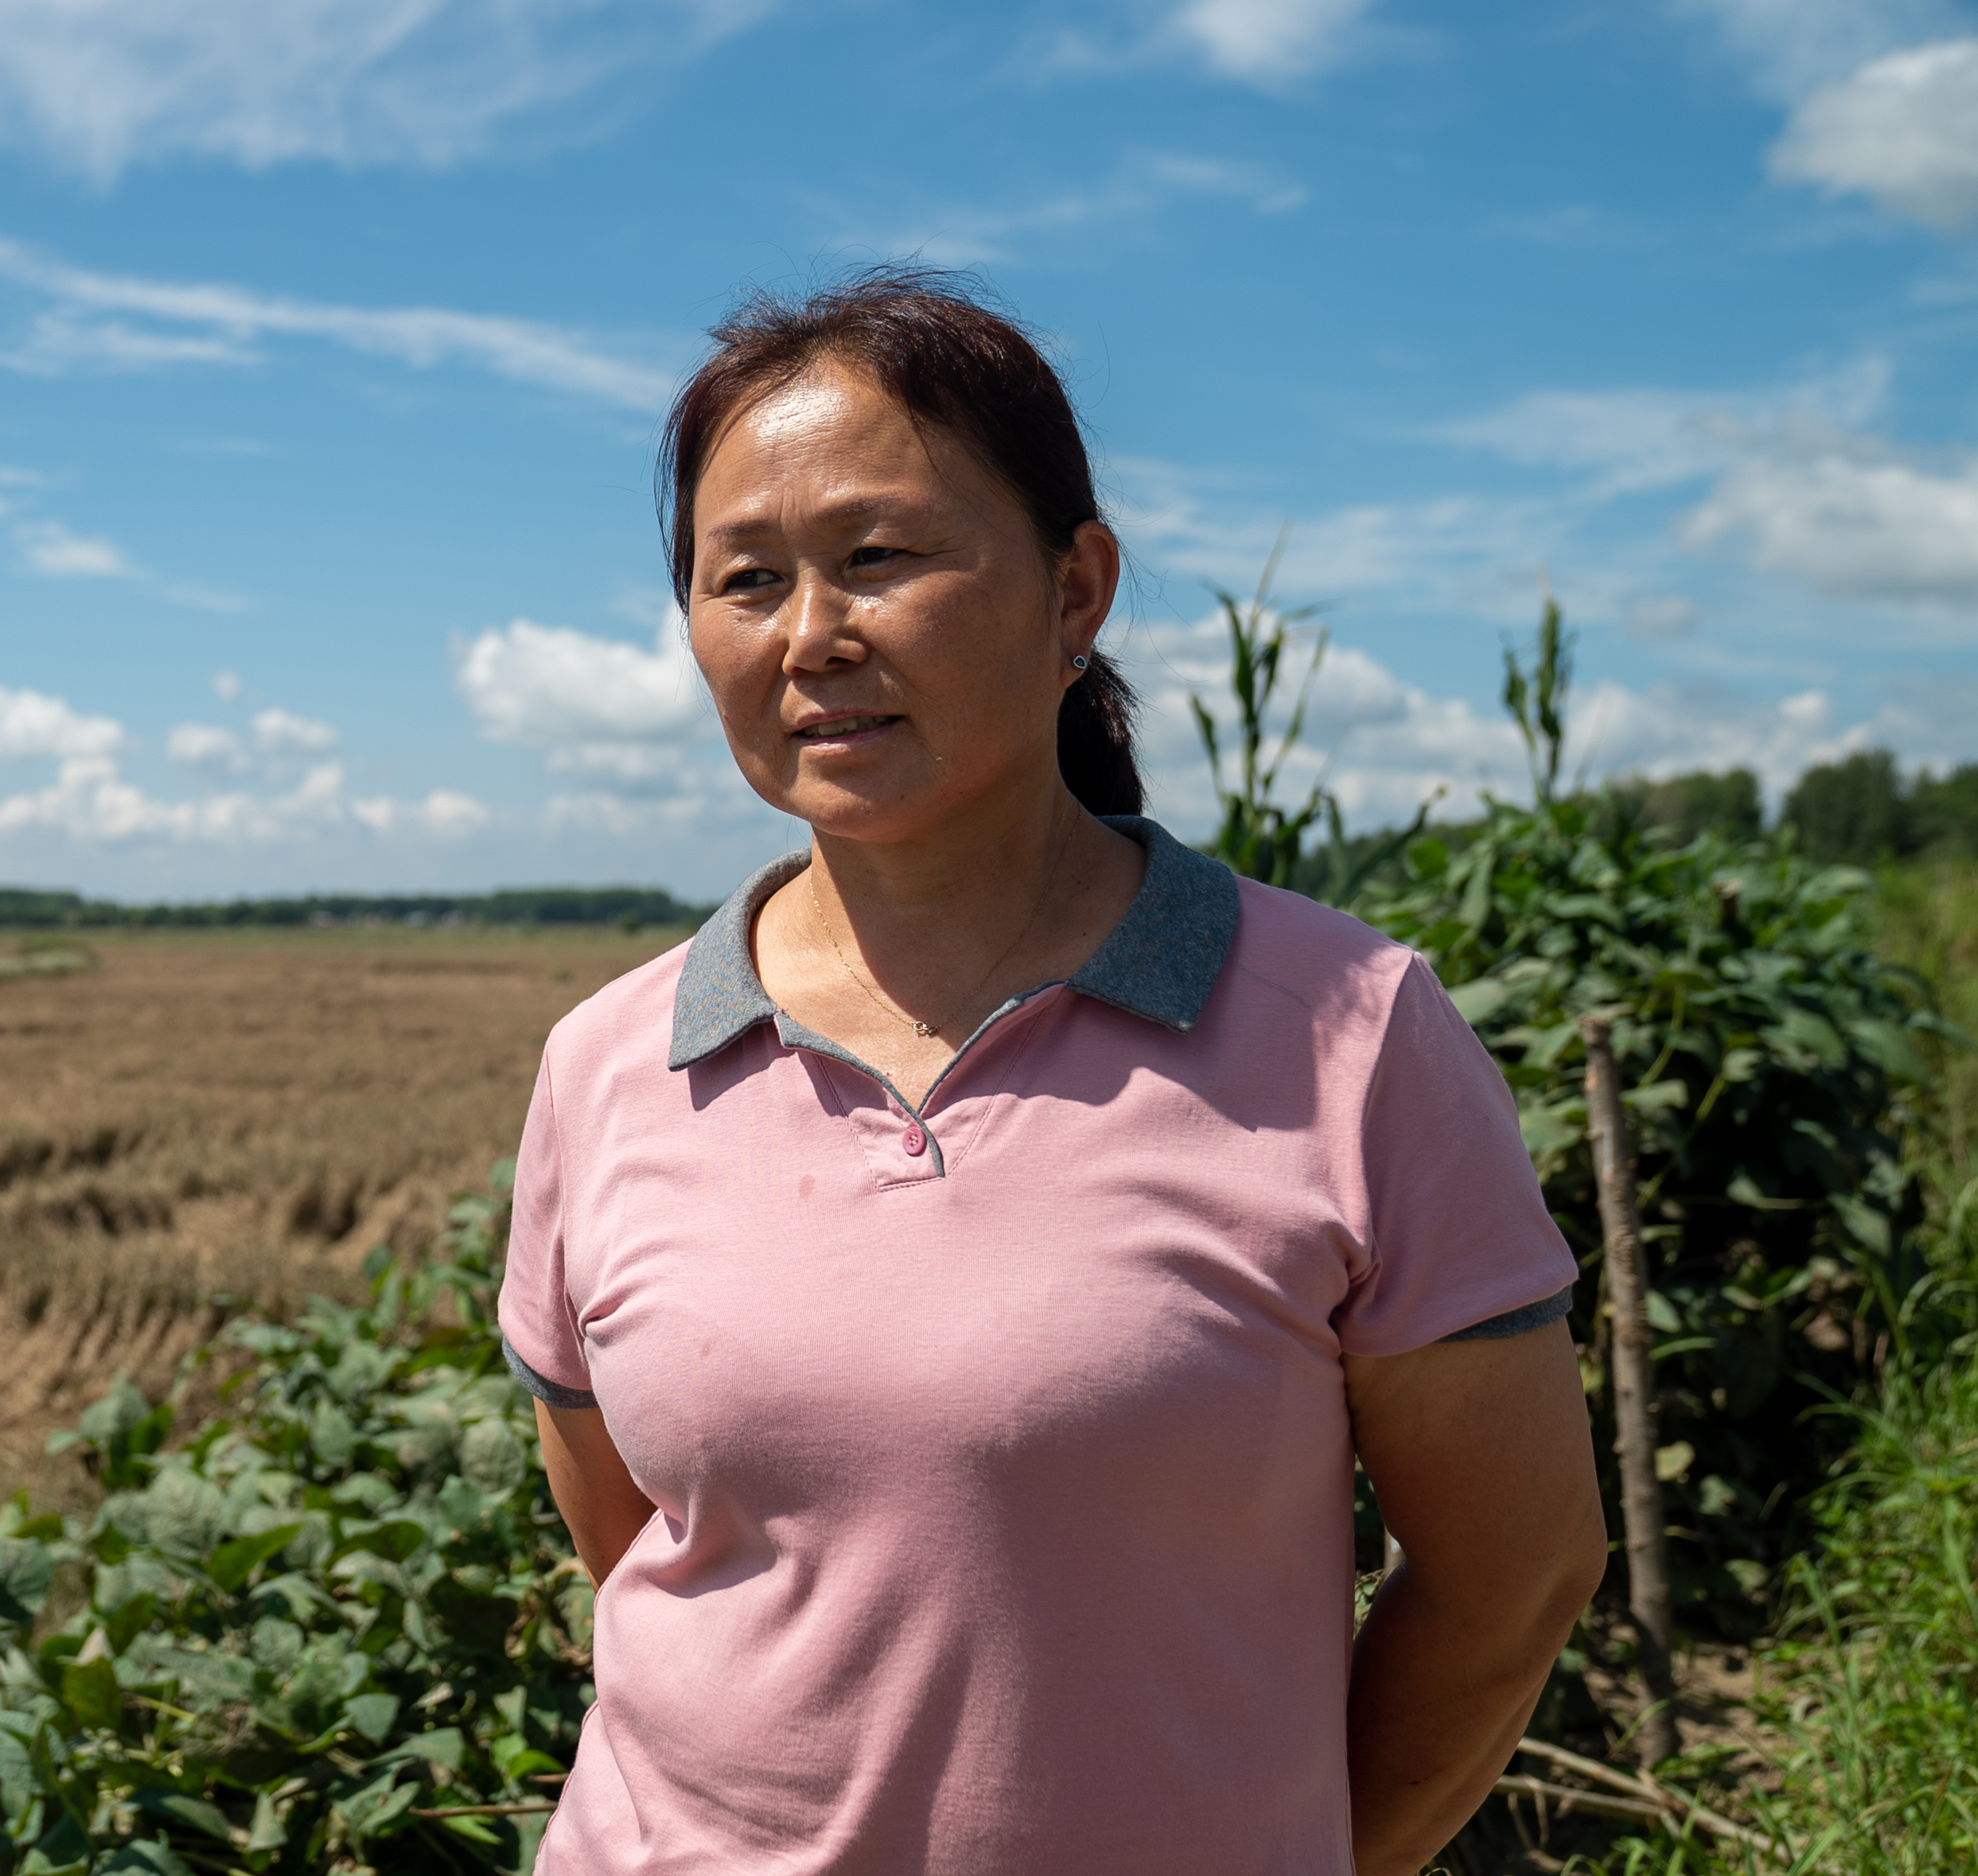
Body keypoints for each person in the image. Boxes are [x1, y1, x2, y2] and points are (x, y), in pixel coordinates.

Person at [496, 267, 1607, 1876]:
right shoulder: (612, 1064)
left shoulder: (1347, 1030)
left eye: (879, 558)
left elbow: (1515, 1573)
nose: (812, 636)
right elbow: (640, 1540)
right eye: (745, 580)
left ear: (1074, 590)